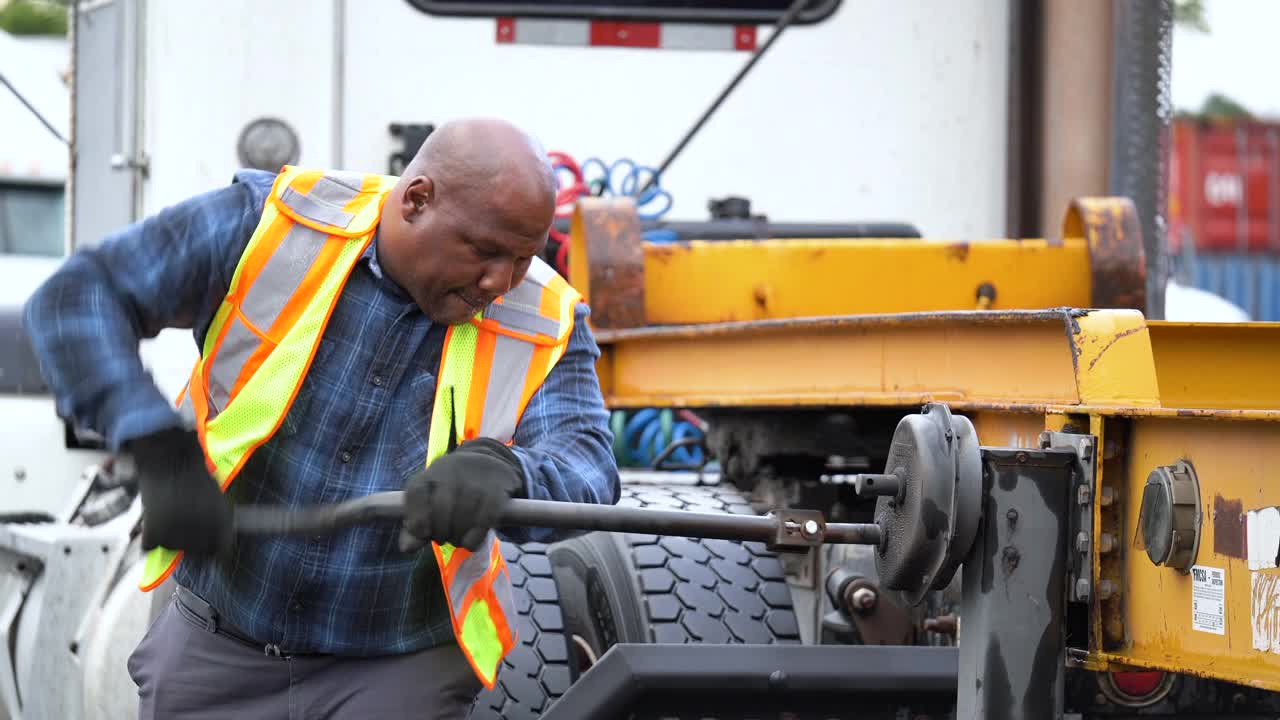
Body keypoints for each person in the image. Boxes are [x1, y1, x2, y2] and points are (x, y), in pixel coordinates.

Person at [23, 117, 620, 718]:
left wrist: (507, 470)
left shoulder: (545, 317)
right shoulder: (274, 227)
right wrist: (153, 444)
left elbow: (588, 462)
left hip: (397, 668)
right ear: (415, 200)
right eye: (486, 252)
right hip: (216, 644)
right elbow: (78, 298)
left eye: (523, 258)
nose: (501, 282)